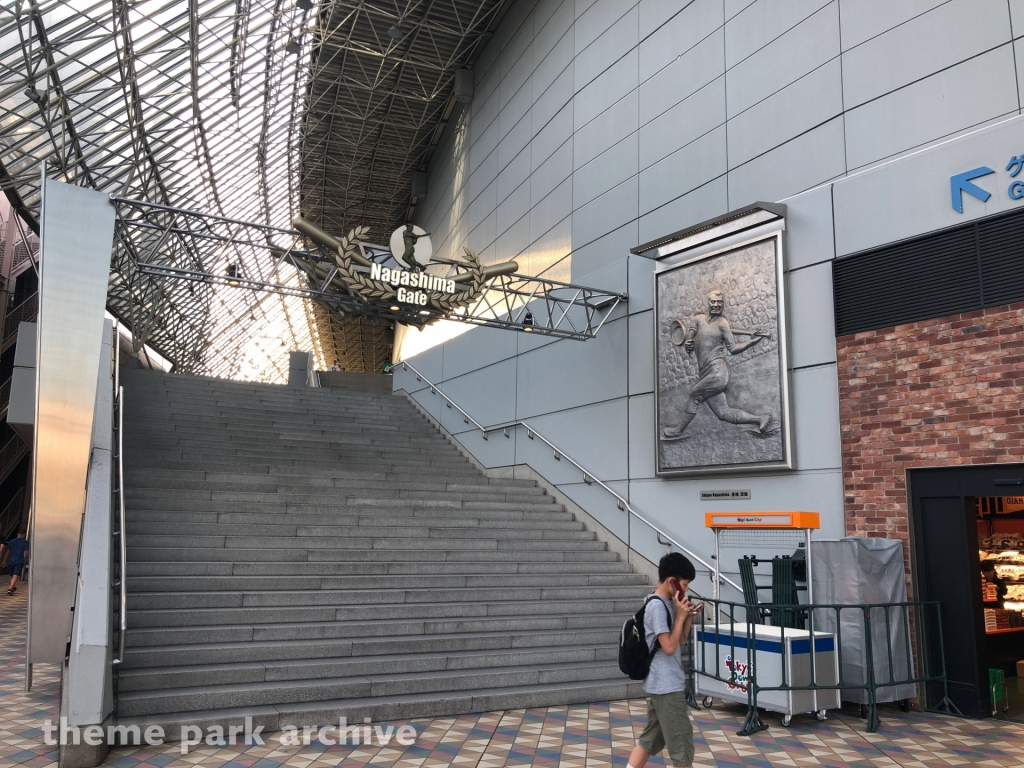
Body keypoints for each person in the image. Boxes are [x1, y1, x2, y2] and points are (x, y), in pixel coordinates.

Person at [662, 289, 775, 441]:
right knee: (723, 413)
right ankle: (761, 419)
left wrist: (752, 341)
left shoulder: (723, 324)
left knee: (694, 394)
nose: (716, 305)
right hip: (706, 373)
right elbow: (690, 340)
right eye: (713, 302)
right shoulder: (698, 320)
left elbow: (733, 349)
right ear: (708, 303)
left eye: (719, 303)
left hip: (719, 372)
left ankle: (678, 430)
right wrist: (689, 344)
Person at [628, 552, 702, 768]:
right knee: (682, 747)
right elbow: (669, 647)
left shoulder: (669, 603)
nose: (686, 590)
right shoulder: (657, 607)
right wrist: (679, 616)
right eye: (685, 585)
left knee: (650, 740)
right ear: (673, 581)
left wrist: (687, 616)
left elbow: (680, 640)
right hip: (666, 686)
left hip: (664, 684)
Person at [1, 530, 29, 595]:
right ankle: (10, 589)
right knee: (16, 575)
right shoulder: (25, 542)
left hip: (11, 560)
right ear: (24, 534)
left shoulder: (11, 541)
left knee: (11, 575)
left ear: (17, 533)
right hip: (20, 560)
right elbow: (27, 552)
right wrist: (28, 558)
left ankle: (11, 587)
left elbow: (8, 552)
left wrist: (4, 560)